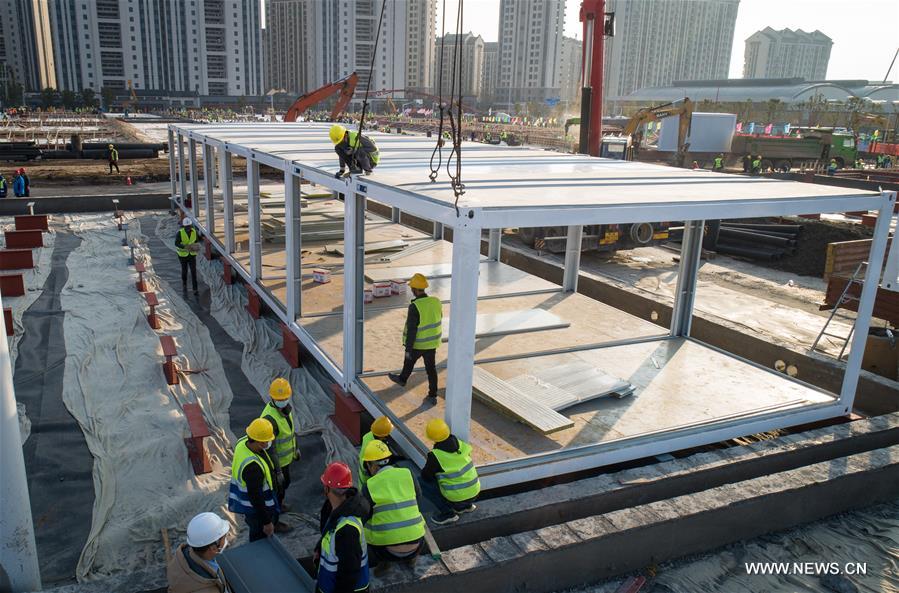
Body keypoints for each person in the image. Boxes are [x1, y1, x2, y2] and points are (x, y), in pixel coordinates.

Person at [360, 440, 425, 570]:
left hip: (386, 551)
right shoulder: (408, 473)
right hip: (417, 545)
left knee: (362, 527)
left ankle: (384, 562)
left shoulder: (369, 485)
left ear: (371, 465)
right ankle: (411, 558)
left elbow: (364, 516)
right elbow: (418, 500)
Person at [315, 462, 371, 593]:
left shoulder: (347, 529)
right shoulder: (334, 509)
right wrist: (319, 548)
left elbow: (349, 573)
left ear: (327, 488)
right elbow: (329, 535)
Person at [388, 273, 441, 404]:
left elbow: (412, 330)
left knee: (409, 360)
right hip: (432, 343)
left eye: (412, 288)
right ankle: (433, 395)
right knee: (431, 369)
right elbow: (438, 317)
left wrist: (408, 348)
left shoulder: (415, 306)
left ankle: (402, 379)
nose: (411, 290)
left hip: (419, 344)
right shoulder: (436, 301)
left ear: (416, 290)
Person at [228, 419, 281, 542]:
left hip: (252, 508)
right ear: (260, 442)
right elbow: (256, 498)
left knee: (257, 530)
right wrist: (267, 522)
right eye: (267, 440)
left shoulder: (242, 443)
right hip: (257, 511)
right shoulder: (253, 467)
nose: (269, 442)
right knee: (259, 537)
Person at [419, 418, 480, 525]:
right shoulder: (461, 444)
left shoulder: (436, 456)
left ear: (431, 437)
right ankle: (466, 507)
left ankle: (447, 513)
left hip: (457, 498)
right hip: (475, 493)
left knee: (421, 482)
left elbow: (426, 476)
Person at [260, 377, 299, 520]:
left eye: (285, 398)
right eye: (279, 399)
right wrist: (277, 471)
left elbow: (290, 431)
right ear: (272, 398)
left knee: (285, 484)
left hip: (285, 460)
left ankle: (279, 504)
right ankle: (274, 518)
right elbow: (271, 449)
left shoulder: (285, 409)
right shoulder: (270, 418)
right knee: (276, 489)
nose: (283, 401)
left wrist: (296, 448)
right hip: (276, 463)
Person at [167, 512, 232, 593]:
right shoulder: (208, 590)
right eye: (224, 537)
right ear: (213, 548)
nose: (227, 538)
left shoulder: (180, 557)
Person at [359, 416, 395, 488]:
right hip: (368, 482)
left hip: (363, 478)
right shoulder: (374, 449)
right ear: (382, 436)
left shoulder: (369, 435)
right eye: (387, 434)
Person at [175, 217, 200, 295]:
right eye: (187, 227)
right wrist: (184, 246)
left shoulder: (194, 232)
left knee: (193, 271)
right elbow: (176, 243)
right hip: (183, 255)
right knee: (184, 270)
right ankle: (184, 283)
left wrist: (195, 246)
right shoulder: (180, 233)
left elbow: (196, 240)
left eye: (189, 226)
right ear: (184, 226)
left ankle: (195, 289)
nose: (188, 228)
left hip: (192, 255)